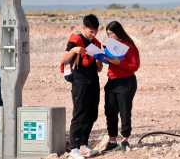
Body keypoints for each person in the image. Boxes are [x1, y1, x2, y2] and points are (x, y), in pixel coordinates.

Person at [60, 14, 103, 159]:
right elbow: (64, 59)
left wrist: (99, 60)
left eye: (96, 31)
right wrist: (74, 51)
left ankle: (84, 145)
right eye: (91, 31)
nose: (94, 34)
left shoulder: (96, 43)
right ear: (84, 28)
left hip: (93, 81)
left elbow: (99, 68)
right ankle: (74, 148)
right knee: (79, 113)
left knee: (92, 113)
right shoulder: (76, 40)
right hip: (80, 81)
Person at [102, 21, 140, 152]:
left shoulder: (129, 46)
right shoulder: (110, 46)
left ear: (118, 32)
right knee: (110, 111)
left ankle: (125, 139)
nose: (110, 36)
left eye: (111, 33)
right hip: (112, 82)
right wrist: (102, 58)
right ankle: (112, 140)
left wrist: (118, 63)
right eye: (108, 34)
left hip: (126, 82)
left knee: (125, 111)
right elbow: (111, 62)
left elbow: (134, 66)